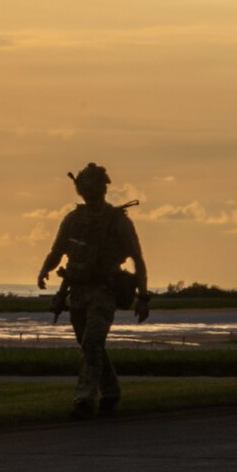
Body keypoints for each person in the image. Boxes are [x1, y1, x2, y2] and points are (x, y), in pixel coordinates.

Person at [37, 162, 151, 419]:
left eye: (92, 184)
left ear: (102, 188)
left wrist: (143, 297)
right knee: (89, 344)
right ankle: (111, 392)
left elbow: (138, 259)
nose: (88, 190)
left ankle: (84, 400)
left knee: (92, 342)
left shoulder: (119, 223)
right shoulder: (73, 219)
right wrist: (44, 270)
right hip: (77, 291)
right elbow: (57, 251)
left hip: (104, 291)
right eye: (84, 185)